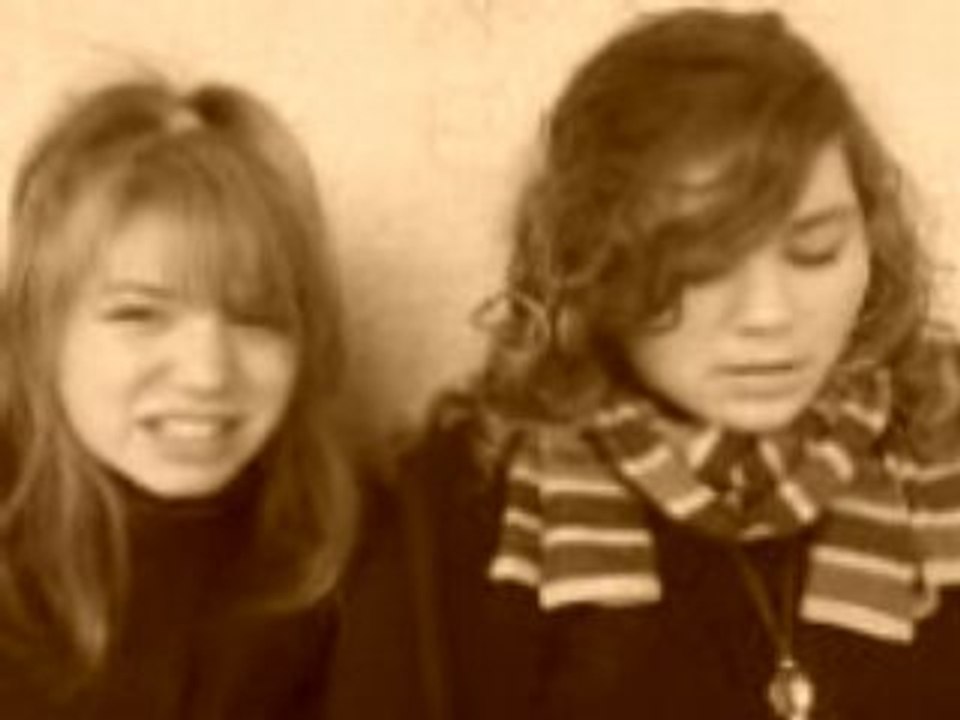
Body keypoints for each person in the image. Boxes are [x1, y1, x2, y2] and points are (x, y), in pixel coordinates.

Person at [326, 8, 960, 720]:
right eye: (700, 264)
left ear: (872, 239)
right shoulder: (466, 502)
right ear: (586, 262)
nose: (769, 314)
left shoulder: (943, 445)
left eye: (816, 252)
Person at [0, 75, 354, 718]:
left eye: (257, 319)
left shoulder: (348, 553)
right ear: (37, 329)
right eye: (140, 314)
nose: (208, 374)